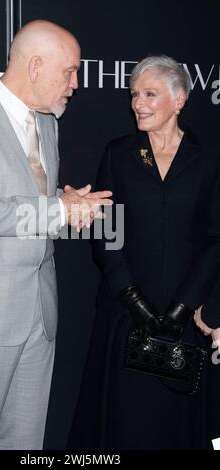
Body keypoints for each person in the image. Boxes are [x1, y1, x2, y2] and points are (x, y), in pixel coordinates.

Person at [0, 20, 112, 450]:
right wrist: (56, 210)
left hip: (38, 311)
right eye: (69, 72)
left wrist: (66, 207)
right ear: (35, 66)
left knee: (26, 442)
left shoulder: (48, 123)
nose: (76, 84)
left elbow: (30, 206)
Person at [68, 55, 220, 449]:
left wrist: (183, 307)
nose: (138, 103)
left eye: (150, 93)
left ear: (180, 100)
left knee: (176, 427)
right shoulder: (119, 153)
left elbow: (215, 238)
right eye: (135, 94)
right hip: (127, 315)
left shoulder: (208, 158)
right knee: (124, 424)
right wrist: (134, 300)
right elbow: (107, 232)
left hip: (186, 317)